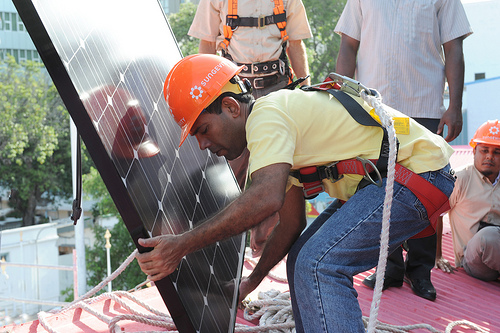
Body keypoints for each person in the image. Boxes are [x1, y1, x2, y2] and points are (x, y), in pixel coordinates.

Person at [136, 54, 456, 332]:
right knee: (302, 256)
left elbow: (265, 199)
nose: (203, 145)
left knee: (319, 265)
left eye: (202, 130)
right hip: (391, 180)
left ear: (232, 107)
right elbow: (289, 226)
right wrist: (252, 281)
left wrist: (181, 245)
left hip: (417, 174)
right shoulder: (275, 138)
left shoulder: (267, 115)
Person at [334, 0, 472, 301]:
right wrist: (341, 99)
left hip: (423, 105)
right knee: (379, 188)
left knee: (425, 190)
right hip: (374, 108)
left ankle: (420, 269)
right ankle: (388, 266)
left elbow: (453, 48)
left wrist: (455, 106)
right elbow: (348, 45)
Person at [188, 0, 313, 256]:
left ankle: (266, 249)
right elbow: (207, 46)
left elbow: (296, 44)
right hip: (233, 93)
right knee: (227, 175)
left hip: (276, 87)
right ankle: (221, 252)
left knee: (276, 172)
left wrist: (306, 90)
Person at [436, 120, 500, 281]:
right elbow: (436, 213)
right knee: (488, 236)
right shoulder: (459, 178)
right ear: (474, 151)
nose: (489, 156)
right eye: (484, 150)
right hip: (474, 259)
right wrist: (437, 256)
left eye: (496, 152)